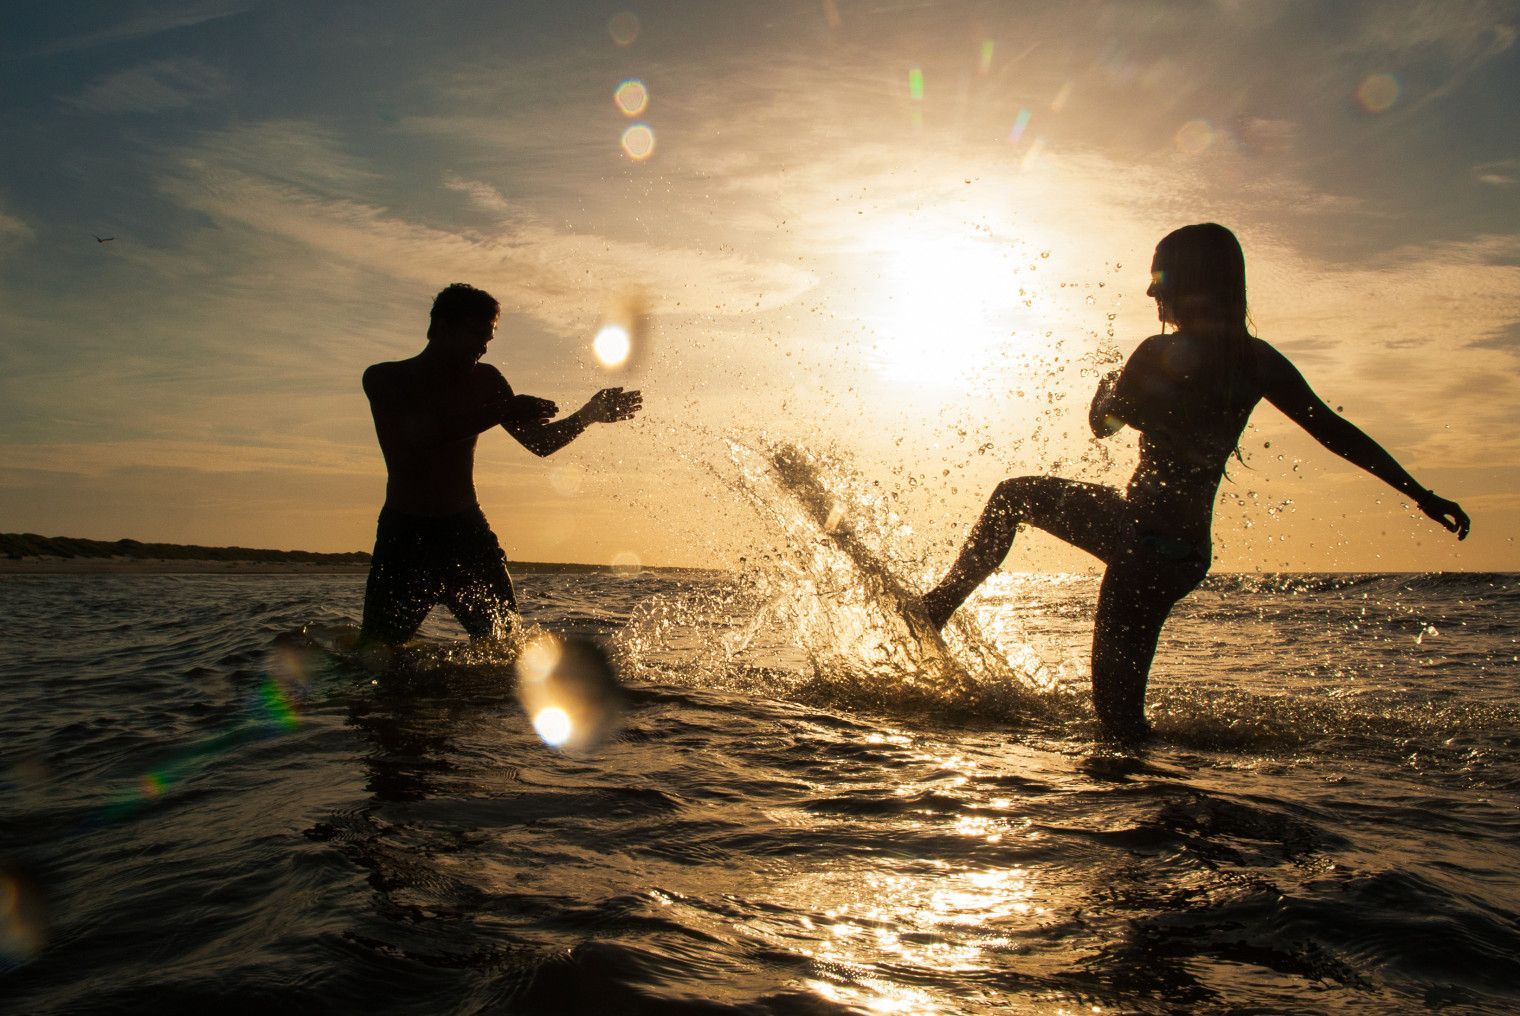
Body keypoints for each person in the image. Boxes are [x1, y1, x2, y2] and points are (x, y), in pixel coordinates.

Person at [915, 223, 1469, 739]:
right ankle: (1160, 815)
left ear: (1191, 282)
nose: (1151, 294)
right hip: (1183, 552)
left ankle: (937, 607)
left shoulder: (1158, 352)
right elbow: (1334, 432)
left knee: (1018, 501)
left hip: (1138, 539)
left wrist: (1107, 388)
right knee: (1119, 716)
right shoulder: (1257, 360)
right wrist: (1420, 494)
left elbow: (1103, 426)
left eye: (1159, 277)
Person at [357, 282, 642, 656]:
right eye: (476, 335)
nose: (483, 346)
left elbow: (540, 444)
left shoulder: (486, 381)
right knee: (376, 654)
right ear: (441, 327)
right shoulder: (385, 379)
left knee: (505, 649)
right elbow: (420, 436)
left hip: (467, 533)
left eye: (488, 337)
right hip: (405, 536)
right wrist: (501, 411)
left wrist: (588, 415)